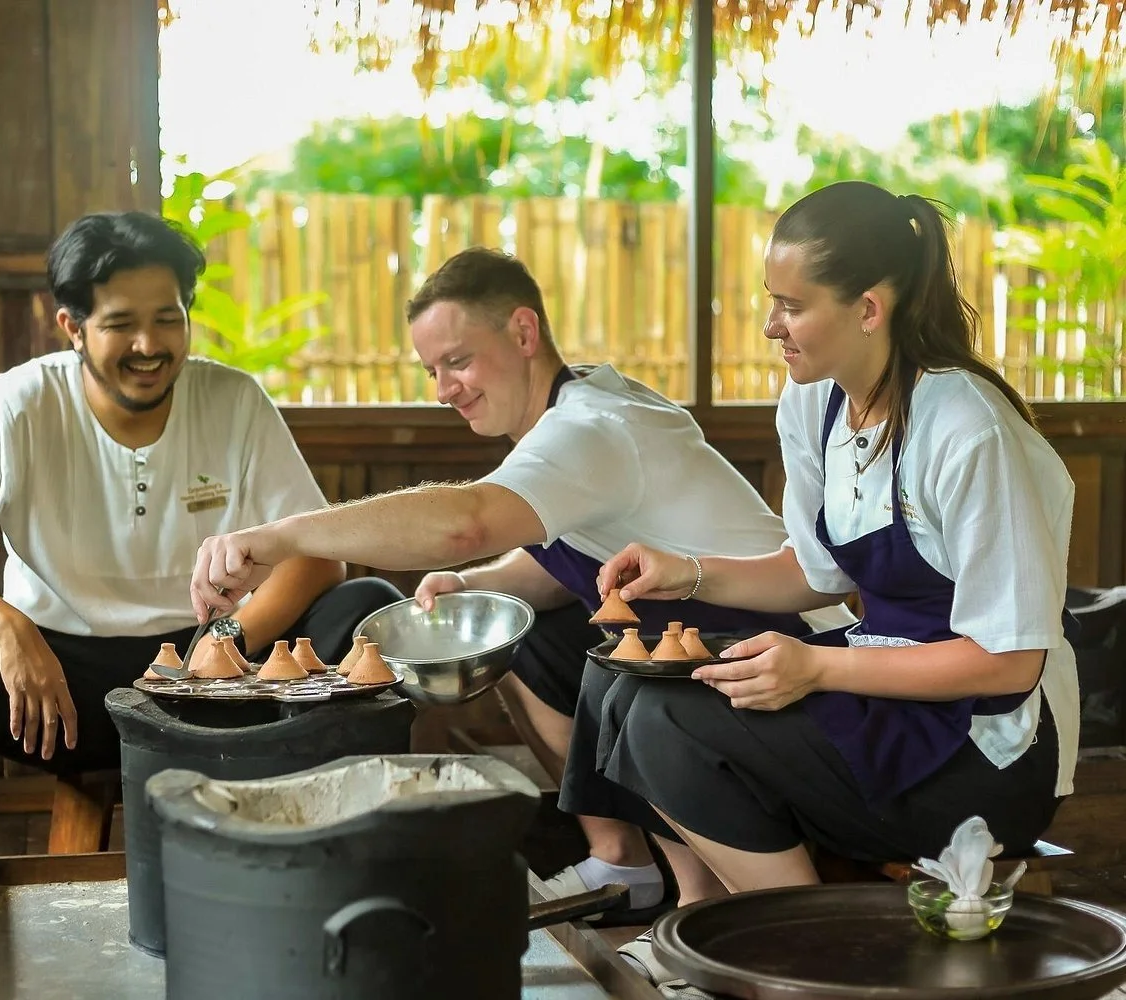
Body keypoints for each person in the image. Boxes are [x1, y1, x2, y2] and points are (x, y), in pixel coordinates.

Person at [0, 211, 401, 998]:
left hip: (213, 684)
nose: (149, 345)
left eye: (169, 318)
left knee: (367, 607)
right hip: (53, 687)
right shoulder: (20, 403)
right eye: (121, 324)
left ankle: (347, 869)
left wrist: (225, 641)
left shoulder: (233, 400)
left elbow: (317, 557)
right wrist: (7, 626)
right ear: (71, 325)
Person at [186, 246, 852, 926]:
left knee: (631, 681)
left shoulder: (591, 427)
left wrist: (283, 537)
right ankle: (623, 861)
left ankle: (717, 905)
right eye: (432, 371)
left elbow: (465, 523)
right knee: (512, 626)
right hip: (702, 633)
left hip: (791, 646)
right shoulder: (570, 410)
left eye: (458, 361)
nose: (444, 389)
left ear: (524, 332)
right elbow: (571, 562)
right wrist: (473, 583)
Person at [588, 181, 1080, 984]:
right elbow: (815, 572)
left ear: (869, 309)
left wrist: (818, 667)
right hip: (882, 685)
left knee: (670, 722)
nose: (770, 326)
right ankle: (719, 929)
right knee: (621, 684)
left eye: (791, 305)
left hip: (987, 746)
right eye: (770, 301)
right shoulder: (814, 401)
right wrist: (690, 573)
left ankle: (811, 962)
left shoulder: (966, 428)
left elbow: (1009, 660)